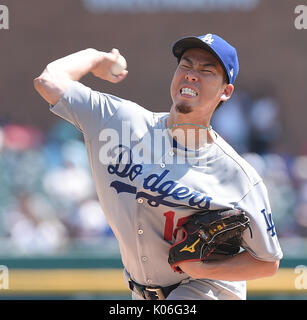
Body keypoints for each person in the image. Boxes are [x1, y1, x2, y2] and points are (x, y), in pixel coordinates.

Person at [33, 33, 283, 300]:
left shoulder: (237, 175)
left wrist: (204, 269)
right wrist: (96, 58)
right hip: (141, 293)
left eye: (206, 70)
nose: (191, 74)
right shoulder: (119, 123)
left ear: (226, 91)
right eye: (185, 66)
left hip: (208, 290)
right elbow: (48, 81)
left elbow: (267, 262)